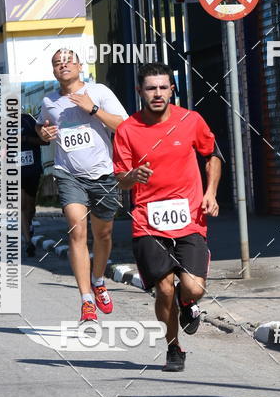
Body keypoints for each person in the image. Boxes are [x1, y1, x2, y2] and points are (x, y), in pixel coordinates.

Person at [114, 62, 222, 372]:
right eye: (151, 88)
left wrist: (211, 192)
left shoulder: (191, 120)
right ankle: (174, 348)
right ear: (140, 92)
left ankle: (188, 304)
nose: (157, 93)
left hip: (188, 217)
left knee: (193, 288)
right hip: (148, 220)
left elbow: (213, 154)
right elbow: (120, 178)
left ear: (172, 89)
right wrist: (132, 175)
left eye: (163, 87)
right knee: (163, 289)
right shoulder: (127, 130)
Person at [36, 49, 128, 322]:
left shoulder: (98, 91)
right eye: (57, 63)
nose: (63, 65)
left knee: (104, 235)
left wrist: (94, 109)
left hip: (102, 174)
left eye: (67, 61)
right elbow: (43, 128)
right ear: (53, 71)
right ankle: (86, 300)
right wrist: (44, 134)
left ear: (79, 65)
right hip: (68, 174)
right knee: (77, 230)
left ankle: (98, 280)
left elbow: (123, 125)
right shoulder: (49, 100)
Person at [20, 111, 48, 258]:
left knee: (30, 206)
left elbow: (45, 141)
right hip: (14, 171)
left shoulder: (29, 120)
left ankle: (29, 226)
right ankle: (28, 242)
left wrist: (25, 139)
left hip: (32, 170)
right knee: (22, 206)